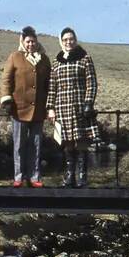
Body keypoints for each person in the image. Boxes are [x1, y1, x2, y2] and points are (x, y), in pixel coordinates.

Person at [46, 27, 99, 187]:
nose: (68, 42)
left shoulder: (85, 58)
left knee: (81, 140)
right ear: (61, 41)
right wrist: (50, 108)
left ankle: (82, 175)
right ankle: (70, 175)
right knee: (67, 142)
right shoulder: (57, 61)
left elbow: (92, 82)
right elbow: (52, 86)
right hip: (62, 107)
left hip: (80, 108)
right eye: (65, 40)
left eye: (71, 39)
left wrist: (88, 102)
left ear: (75, 40)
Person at [0, 26, 51, 187]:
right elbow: (6, 80)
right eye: (28, 41)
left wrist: (50, 106)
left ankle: (34, 177)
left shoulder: (44, 59)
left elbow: (49, 84)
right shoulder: (14, 57)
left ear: (37, 42)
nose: (31, 44)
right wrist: (7, 100)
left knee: (36, 145)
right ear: (23, 42)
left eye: (33, 41)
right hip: (19, 109)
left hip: (38, 110)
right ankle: (19, 177)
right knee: (19, 145)